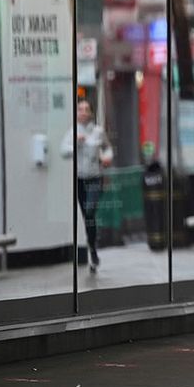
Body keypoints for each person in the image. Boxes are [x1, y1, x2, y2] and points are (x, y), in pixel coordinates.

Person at [61, 99, 114, 273]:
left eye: (86, 109)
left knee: (90, 211)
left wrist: (107, 158)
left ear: (90, 113)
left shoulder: (98, 132)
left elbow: (108, 148)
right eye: (80, 109)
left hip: (95, 179)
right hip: (80, 180)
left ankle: (92, 247)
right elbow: (63, 151)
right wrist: (76, 142)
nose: (83, 112)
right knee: (87, 218)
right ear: (77, 113)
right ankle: (92, 249)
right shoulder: (72, 132)